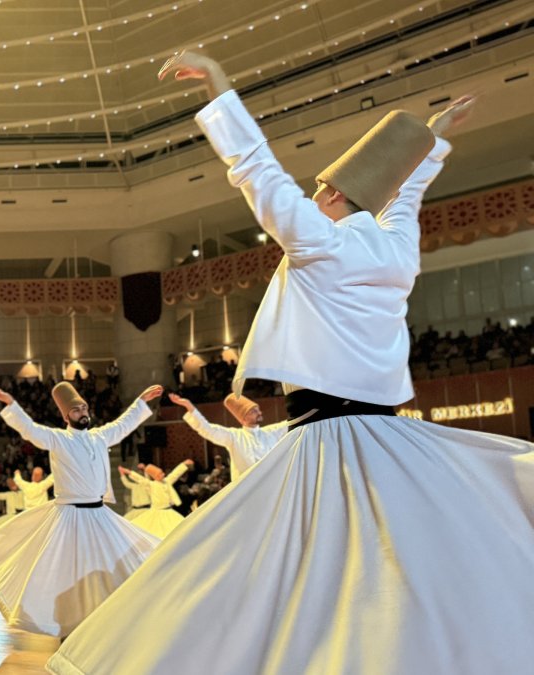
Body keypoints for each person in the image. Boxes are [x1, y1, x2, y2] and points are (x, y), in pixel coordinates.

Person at [50, 53, 534, 675]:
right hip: (387, 434)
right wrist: (431, 144)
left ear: (331, 195)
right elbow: (404, 198)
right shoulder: (394, 252)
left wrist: (221, 89)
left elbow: (258, 172)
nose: (311, 195)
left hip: (324, 439)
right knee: (403, 564)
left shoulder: (320, 242)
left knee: (262, 564)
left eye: (318, 190)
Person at [0, 382, 162, 637]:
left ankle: (106, 622)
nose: (82, 413)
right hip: (69, 517)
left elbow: (124, 424)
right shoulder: (58, 439)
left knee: (107, 567)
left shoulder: (100, 436)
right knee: (69, 572)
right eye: (75, 410)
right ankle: (68, 627)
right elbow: (30, 430)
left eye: (84, 408)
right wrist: (11, 405)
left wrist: (140, 401)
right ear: (65, 416)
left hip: (99, 515)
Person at [170, 392, 289, 481]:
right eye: (254, 411)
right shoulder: (234, 437)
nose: (259, 413)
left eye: (258, 410)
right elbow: (208, 430)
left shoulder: (271, 432)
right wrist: (188, 405)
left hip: (273, 486)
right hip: (246, 492)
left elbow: (294, 423)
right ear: (244, 418)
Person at [118, 461, 193, 538]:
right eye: (160, 474)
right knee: (157, 531)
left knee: (177, 529)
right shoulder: (152, 485)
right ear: (155, 476)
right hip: (157, 512)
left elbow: (174, 474)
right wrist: (127, 472)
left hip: (168, 511)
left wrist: (184, 464)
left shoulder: (166, 482)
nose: (163, 475)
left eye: (162, 473)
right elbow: (139, 478)